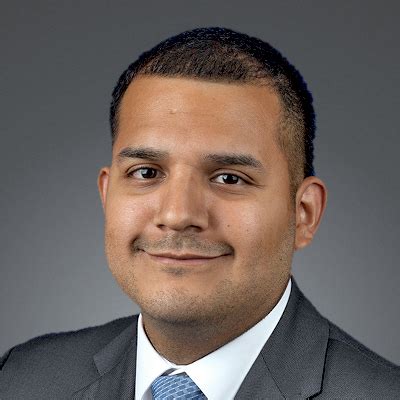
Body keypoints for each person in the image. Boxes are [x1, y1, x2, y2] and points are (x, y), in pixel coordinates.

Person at [0, 27, 399, 400]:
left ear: (304, 214)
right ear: (107, 196)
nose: (177, 214)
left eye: (229, 178)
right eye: (146, 173)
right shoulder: (22, 379)